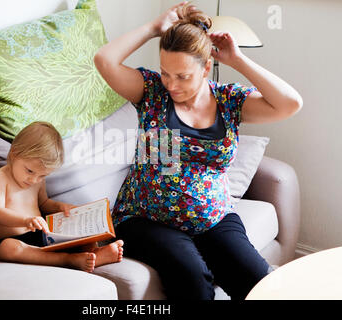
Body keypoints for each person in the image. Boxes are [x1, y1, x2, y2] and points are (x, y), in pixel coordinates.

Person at [94, 1, 302, 299]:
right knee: (193, 280)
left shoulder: (230, 101)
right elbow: (104, 59)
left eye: (183, 76)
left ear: (206, 68)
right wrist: (154, 28)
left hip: (214, 216)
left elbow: (290, 104)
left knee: (259, 283)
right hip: (146, 219)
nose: (171, 85)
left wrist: (238, 60)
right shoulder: (151, 91)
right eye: (166, 72)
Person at [0, 121, 124, 273]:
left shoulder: (37, 181)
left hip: (43, 237)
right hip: (12, 240)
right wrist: (25, 221)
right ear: (14, 153)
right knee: (8, 248)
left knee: (81, 233)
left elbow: (44, 203)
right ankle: (67, 260)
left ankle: (94, 254)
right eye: (29, 171)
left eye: (42, 175)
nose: (34, 180)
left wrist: (59, 207)